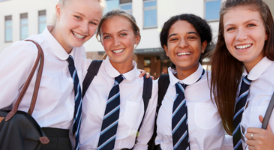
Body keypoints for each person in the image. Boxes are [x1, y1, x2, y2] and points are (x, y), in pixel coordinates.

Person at [0, 0, 105, 149]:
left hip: (67, 143)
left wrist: (133, 73)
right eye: (78, 17)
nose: (84, 29)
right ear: (59, 10)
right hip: (30, 141)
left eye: (93, 23)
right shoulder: (28, 51)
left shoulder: (78, 53)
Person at [210, 0, 274, 150]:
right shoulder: (241, 83)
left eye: (250, 25)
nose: (240, 36)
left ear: (266, 32)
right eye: (231, 28)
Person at [79, 9, 158, 150]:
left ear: (137, 38)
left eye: (123, 34)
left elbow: (142, 141)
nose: (115, 43)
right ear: (102, 41)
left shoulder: (149, 86)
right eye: (108, 37)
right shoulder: (85, 71)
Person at [155, 14, 231, 150]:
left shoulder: (221, 85)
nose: (183, 44)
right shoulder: (156, 87)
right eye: (174, 39)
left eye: (191, 37)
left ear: (203, 46)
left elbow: (238, 135)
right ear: (166, 49)